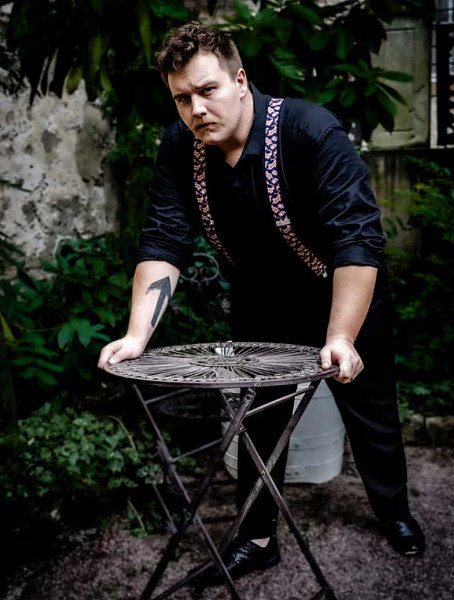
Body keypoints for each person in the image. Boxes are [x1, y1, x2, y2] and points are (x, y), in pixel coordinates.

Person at [98, 23, 425, 587]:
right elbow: (164, 241)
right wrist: (137, 336)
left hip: (340, 293)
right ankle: (256, 540)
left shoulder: (310, 131)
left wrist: (341, 336)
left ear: (240, 80)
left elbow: (357, 239)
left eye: (207, 90)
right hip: (259, 303)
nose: (197, 109)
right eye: (182, 98)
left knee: (371, 412)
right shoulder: (179, 147)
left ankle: (395, 512)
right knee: (256, 421)